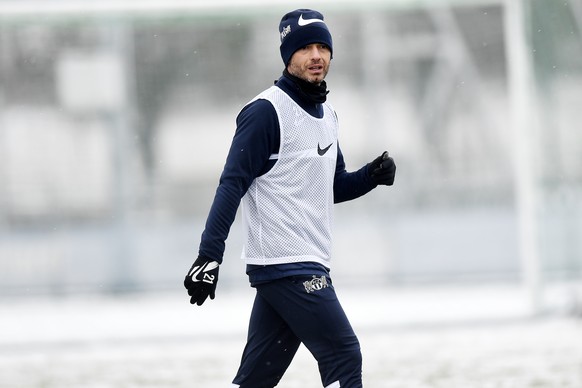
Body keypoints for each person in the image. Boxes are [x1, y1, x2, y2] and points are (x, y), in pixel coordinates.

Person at [184, 9, 396, 388]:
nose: (316, 55)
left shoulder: (328, 114)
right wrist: (209, 255)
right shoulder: (265, 112)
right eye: (304, 48)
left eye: (322, 46)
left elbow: (330, 187)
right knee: (343, 354)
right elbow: (232, 183)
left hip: (300, 264)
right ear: (287, 56)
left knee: (256, 379)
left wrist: (370, 177)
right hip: (288, 264)